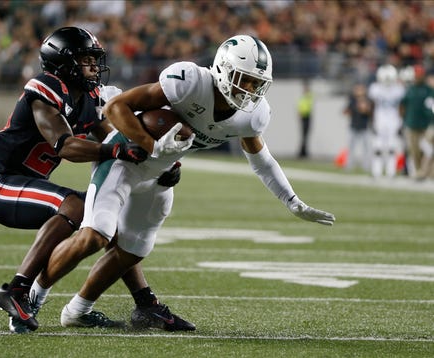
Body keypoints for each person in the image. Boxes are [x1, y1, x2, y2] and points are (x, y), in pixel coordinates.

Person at [36, 35, 335, 329]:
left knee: (134, 249)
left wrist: (292, 201)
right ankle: (32, 295)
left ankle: (78, 310)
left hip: (162, 174)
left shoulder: (253, 116)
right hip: (125, 159)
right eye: (244, 79)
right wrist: (151, 147)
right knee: (96, 234)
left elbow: (261, 160)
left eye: (257, 83)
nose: (250, 90)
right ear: (223, 69)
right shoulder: (189, 81)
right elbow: (117, 108)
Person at [0, 27, 193, 334]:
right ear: (63, 63)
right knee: (76, 206)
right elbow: (66, 146)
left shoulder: (89, 97)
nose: (94, 67)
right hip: (3, 184)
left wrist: (160, 164)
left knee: (110, 223)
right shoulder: (45, 89)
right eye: (86, 59)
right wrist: (115, 150)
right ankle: (16, 290)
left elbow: (114, 136)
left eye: (95, 59)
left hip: (30, 185)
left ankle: (145, 303)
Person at [367, 64, 405, 179]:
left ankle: (391, 172)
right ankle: (376, 171)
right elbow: (372, 106)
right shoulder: (375, 88)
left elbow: (402, 107)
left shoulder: (399, 89)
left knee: (391, 147)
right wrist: (372, 120)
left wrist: (401, 121)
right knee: (377, 146)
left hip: (393, 120)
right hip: (380, 119)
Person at [400, 64, 434, 179]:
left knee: (427, 148)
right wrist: (403, 119)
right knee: (414, 150)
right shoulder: (410, 89)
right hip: (412, 123)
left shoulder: (429, 90)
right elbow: (403, 105)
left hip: (426, 124)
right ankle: (419, 171)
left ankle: (428, 172)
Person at [343, 83, 372, 172]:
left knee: (366, 148)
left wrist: (365, 109)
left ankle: (366, 166)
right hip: (354, 126)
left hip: (364, 127)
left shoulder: (367, 100)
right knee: (351, 147)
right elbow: (346, 111)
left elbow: (369, 112)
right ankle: (349, 165)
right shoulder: (352, 100)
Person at [297, 80, 313, 158]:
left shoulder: (308, 96)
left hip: (308, 116)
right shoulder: (303, 97)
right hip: (304, 117)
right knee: (304, 135)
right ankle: (302, 152)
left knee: (305, 135)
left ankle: (303, 151)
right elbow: (300, 108)